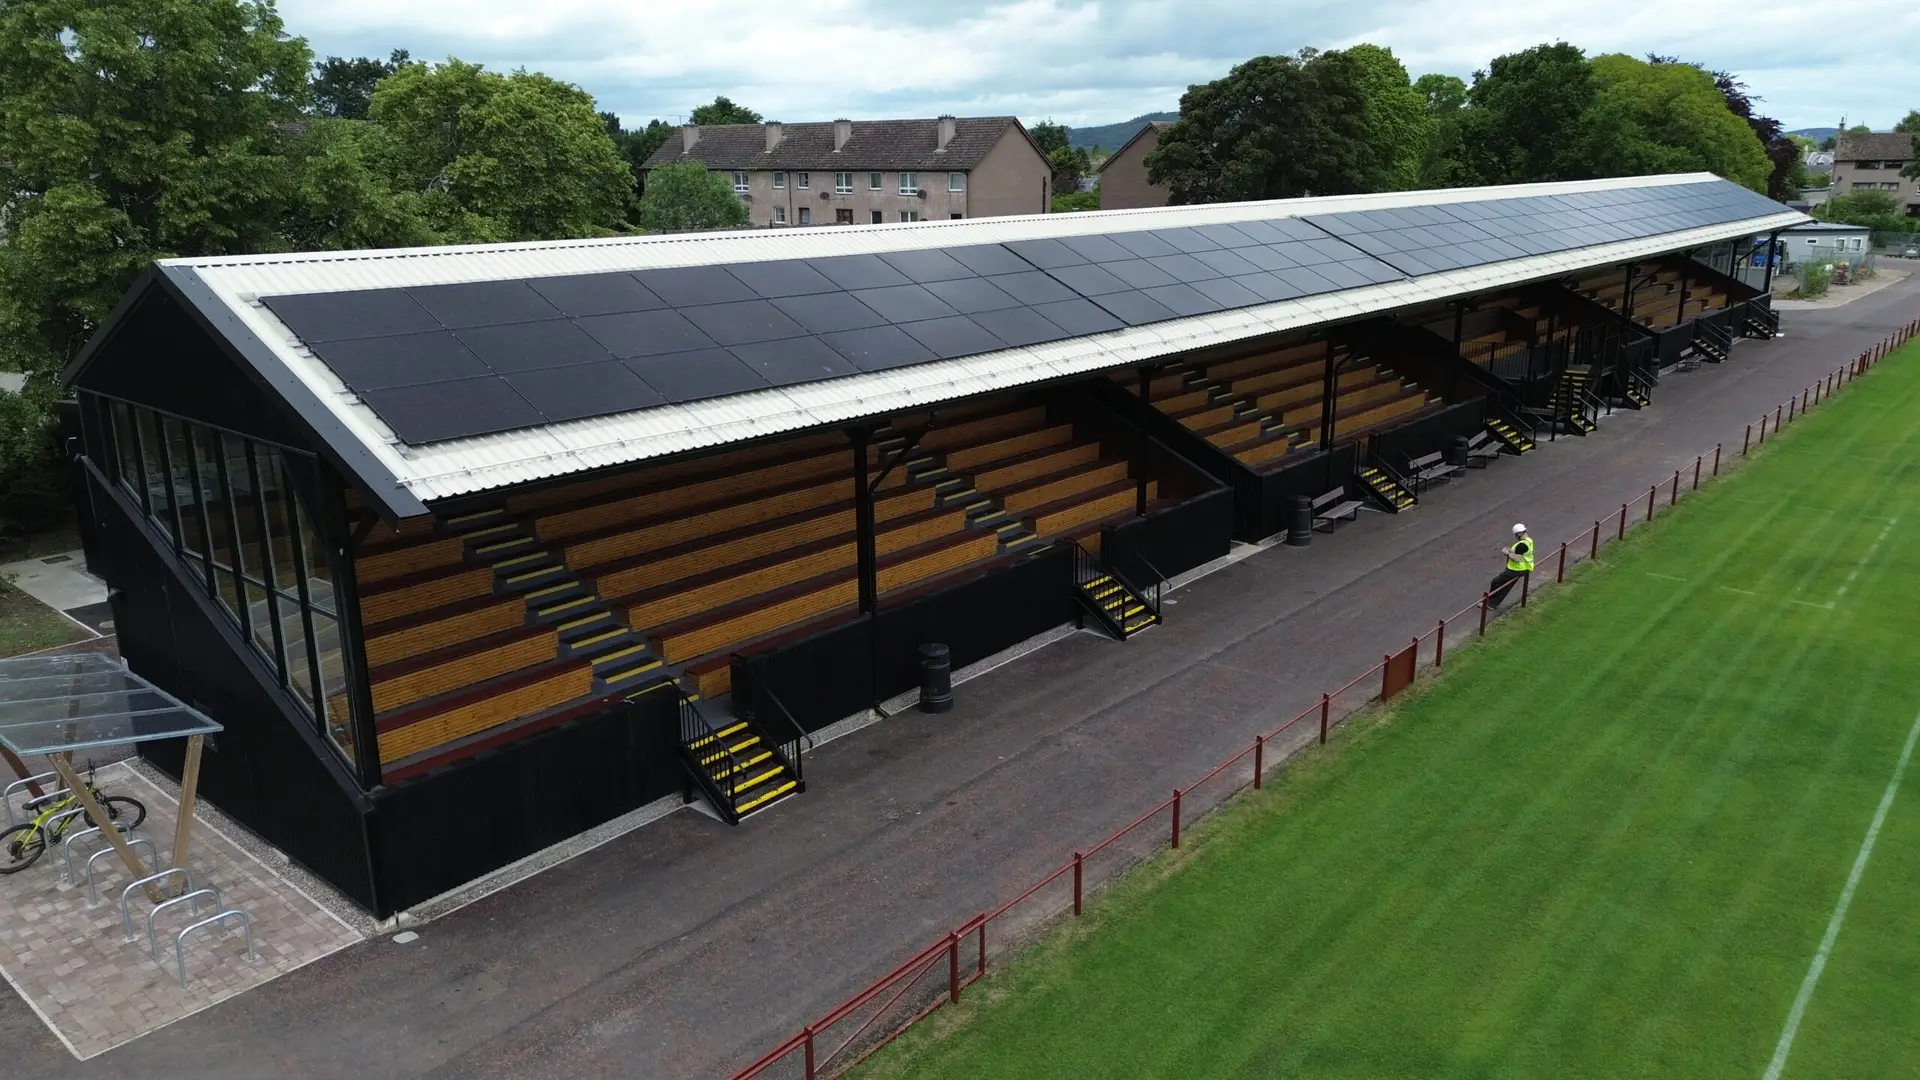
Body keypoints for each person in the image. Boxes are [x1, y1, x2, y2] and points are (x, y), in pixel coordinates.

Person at [1488, 523, 1534, 606]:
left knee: (1496, 582)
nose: (1515, 537)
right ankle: (1492, 603)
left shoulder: (1522, 545)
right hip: (1524, 568)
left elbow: (1517, 559)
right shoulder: (1528, 541)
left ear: (1519, 533)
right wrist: (1511, 551)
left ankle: (1490, 603)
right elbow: (1522, 554)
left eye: (1516, 535)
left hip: (1516, 569)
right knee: (1506, 585)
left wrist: (1507, 553)